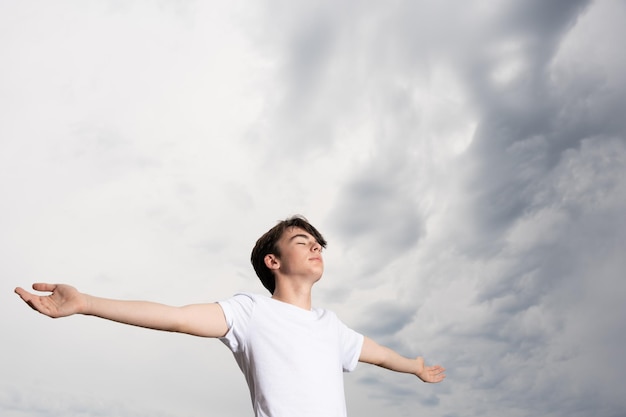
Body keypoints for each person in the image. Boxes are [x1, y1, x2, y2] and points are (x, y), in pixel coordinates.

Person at [15, 215, 445, 417]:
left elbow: (384, 355)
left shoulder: (332, 328)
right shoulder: (250, 312)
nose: (316, 246)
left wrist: (417, 368)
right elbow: (176, 317)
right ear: (273, 262)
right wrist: (87, 302)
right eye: (302, 241)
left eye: (318, 243)